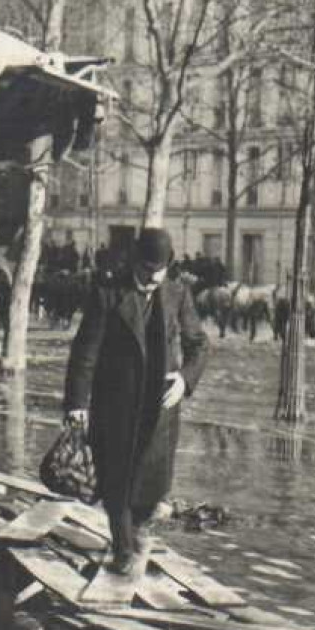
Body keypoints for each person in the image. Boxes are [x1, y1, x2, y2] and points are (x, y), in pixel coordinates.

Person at [64, 228, 209, 574]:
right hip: (115, 404)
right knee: (116, 481)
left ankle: (136, 532)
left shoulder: (177, 294)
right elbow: (86, 351)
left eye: (158, 271)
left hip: (160, 406)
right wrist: (76, 404)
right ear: (134, 262)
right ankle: (123, 550)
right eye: (146, 270)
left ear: (168, 266)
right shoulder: (108, 293)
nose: (152, 277)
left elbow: (199, 344)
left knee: (150, 484)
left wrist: (186, 380)